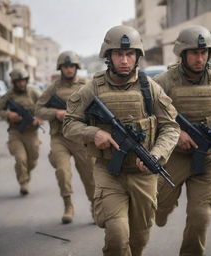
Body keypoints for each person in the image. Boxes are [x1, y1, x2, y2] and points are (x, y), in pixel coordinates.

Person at [62, 25, 180, 256]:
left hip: (144, 175)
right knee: (117, 235)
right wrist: (93, 133)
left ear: (137, 56)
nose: (124, 60)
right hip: (109, 172)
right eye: (119, 54)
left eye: (130, 54)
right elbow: (69, 124)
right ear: (109, 56)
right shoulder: (93, 88)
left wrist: (156, 155)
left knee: (139, 237)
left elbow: (171, 127)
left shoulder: (150, 88)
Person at [153, 25, 211, 256]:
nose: (200, 58)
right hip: (173, 158)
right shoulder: (164, 82)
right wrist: (175, 137)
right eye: (194, 52)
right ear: (183, 53)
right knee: (158, 209)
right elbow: (148, 115)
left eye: (204, 53)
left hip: (205, 158)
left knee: (200, 215)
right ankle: (163, 209)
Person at [35, 51, 95, 224]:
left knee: (90, 175)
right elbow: (38, 109)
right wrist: (56, 113)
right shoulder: (53, 88)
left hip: (81, 138)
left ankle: (94, 205)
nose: (69, 70)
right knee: (62, 171)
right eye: (65, 67)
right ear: (60, 68)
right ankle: (68, 205)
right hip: (59, 137)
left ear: (76, 68)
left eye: (71, 66)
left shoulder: (87, 85)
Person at [0, 68, 42, 195]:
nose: (21, 83)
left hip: (31, 132)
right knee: (20, 158)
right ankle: (24, 183)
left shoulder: (33, 93)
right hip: (15, 132)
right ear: (13, 82)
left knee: (32, 160)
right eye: (18, 81)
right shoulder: (8, 96)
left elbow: (44, 106)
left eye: (23, 81)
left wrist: (39, 118)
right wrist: (8, 114)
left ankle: (25, 173)